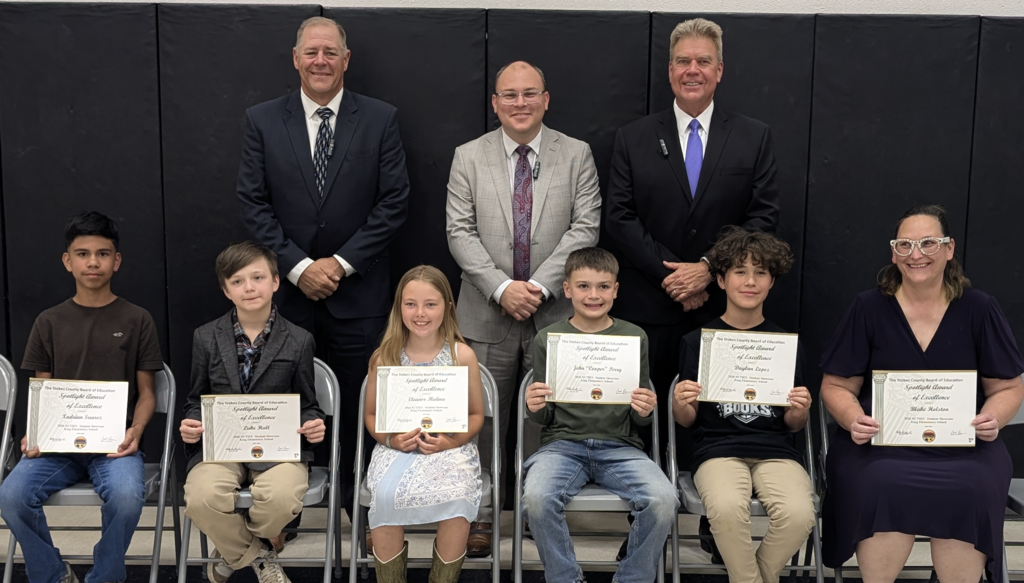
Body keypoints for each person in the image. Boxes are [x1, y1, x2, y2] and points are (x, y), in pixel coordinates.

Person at [237, 15, 410, 523]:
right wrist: (298, 267)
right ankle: (282, 516)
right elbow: (253, 203)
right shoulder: (262, 120)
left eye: (330, 52)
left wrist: (339, 264)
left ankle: (362, 516)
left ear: (346, 60)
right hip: (288, 297)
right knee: (284, 405)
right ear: (296, 59)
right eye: (311, 52)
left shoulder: (379, 118)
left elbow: (394, 201)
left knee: (360, 405)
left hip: (359, 296)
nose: (320, 61)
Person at [819, 204, 1024, 583]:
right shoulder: (868, 308)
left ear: (949, 248)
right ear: (893, 253)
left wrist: (994, 416)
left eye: (928, 243)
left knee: (972, 488)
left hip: (964, 447)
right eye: (905, 245)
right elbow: (836, 386)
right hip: (879, 445)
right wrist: (852, 419)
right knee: (881, 485)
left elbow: (1008, 387)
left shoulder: (979, 309)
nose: (916, 254)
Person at [603, 17, 780, 451]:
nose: (692, 70)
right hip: (649, 307)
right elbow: (619, 217)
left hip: (720, 308)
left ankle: (708, 497)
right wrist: (674, 277)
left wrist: (707, 269)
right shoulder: (633, 137)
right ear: (670, 70)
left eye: (703, 61)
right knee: (643, 425)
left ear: (719, 70)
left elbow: (763, 217)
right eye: (683, 61)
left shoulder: (754, 137)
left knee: (713, 427)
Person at [446, 60, 601, 556]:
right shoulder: (468, 156)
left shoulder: (576, 154)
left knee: (544, 418)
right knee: (481, 420)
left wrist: (534, 286)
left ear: (546, 100)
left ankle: (539, 510)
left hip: (553, 313)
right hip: (485, 312)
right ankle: (479, 514)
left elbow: (585, 228)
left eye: (529, 93)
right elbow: (458, 232)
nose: (520, 103)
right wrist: (501, 288)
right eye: (509, 95)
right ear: (494, 103)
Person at [0, 212, 164, 583]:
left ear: (116, 261)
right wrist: (35, 431)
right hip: (57, 447)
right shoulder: (48, 321)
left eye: (103, 254)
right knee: (11, 496)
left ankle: (104, 577)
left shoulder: (137, 319)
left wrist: (136, 431)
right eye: (83, 254)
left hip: (114, 445)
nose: (93, 262)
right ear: (67, 261)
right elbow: (42, 391)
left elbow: (147, 394)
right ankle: (54, 575)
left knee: (126, 498)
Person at [521, 247, 678, 583]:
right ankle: (565, 578)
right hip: (561, 446)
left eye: (603, 286)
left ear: (616, 290)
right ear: (567, 289)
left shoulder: (634, 337)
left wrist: (645, 410)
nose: (594, 295)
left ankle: (632, 579)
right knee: (535, 499)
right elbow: (544, 418)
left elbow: (640, 420)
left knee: (664, 500)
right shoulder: (548, 339)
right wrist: (535, 407)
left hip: (621, 447)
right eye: (584, 286)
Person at [673, 227, 815, 583]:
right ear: (721, 280)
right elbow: (686, 421)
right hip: (717, 450)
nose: (750, 281)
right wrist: (681, 402)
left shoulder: (784, 344)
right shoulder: (697, 342)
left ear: (771, 282)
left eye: (760, 272)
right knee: (725, 509)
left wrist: (800, 410)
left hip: (776, 451)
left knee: (800, 514)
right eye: (740, 271)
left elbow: (793, 424)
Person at [179, 241, 326, 583]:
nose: (249, 287)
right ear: (225, 290)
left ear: (275, 282)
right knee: (201, 498)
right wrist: (193, 422)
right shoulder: (206, 337)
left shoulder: (299, 340)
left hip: (278, 450)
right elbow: (195, 399)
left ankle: (233, 553)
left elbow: (308, 404)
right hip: (221, 449)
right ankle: (260, 556)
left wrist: (312, 424)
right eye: (237, 281)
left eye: (257, 278)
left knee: (281, 499)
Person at [363, 265, 484, 583]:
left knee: (458, 494)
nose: (420, 313)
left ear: (448, 307)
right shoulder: (384, 357)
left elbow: (475, 415)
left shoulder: (462, 356)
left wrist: (451, 441)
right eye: (410, 304)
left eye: (430, 304)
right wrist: (390, 440)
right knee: (385, 494)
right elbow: (372, 416)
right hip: (397, 448)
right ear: (398, 307)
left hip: (450, 447)